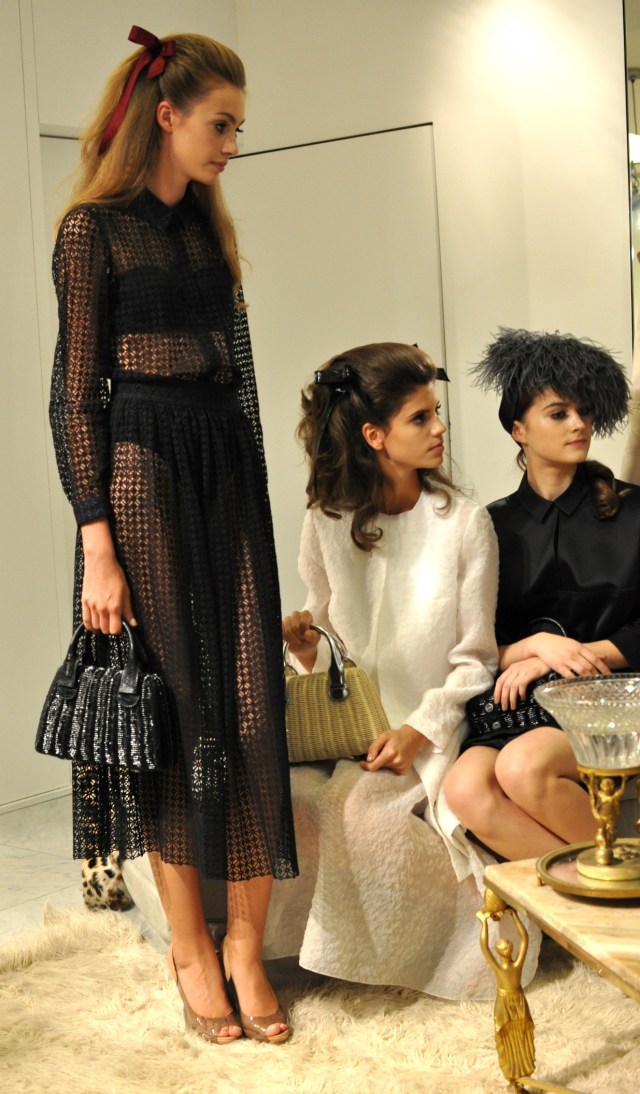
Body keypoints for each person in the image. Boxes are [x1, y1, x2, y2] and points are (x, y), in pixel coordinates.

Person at [48, 26, 296, 1044]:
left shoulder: (206, 227)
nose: (233, 145)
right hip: (141, 466)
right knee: (179, 710)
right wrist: (96, 546)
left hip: (224, 464)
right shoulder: (92, 231)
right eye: (221, 125)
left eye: (237, 128)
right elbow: (73, 400)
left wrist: (257, 508)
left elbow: (241, 380)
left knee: (254, 708)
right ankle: (191, 948)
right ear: (166, 115)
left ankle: (246, 946)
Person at [280, 342, 534, 999]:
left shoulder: (464, 524)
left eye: (435, 412)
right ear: (374, 435)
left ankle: (414, 964)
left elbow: (476, 659)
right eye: (420, 417)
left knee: (369, 819)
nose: (440, 427)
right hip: (351, 726)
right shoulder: (326, 521)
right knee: (292, 803)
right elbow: (330, 639)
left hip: (436, 728)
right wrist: (304, 647)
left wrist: (419, 730)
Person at [444, 328, 640, 862]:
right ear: (518, 430)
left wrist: (571, 656)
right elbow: (471, 640)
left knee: (522, 767)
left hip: (615, 694)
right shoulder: (488, 526)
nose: (579, 425)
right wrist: (532, 650)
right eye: (559, 414)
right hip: (520, 706)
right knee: (465, 789)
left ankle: (622, 885)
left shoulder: (634, 512)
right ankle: (582, 893)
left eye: (584, 412)